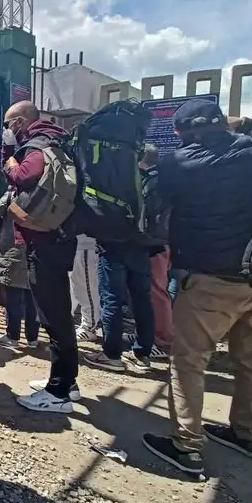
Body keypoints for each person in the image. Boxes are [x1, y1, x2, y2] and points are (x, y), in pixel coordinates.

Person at [143, 101, 252, 475]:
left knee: (189, 360)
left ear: (180, 133)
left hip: (212, 281)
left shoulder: (178, 165)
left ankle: (187, 446)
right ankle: (251, 434)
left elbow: (152, 208)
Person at [2, 101, 80, 413]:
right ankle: (68, 383)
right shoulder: (57, 140)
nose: (7, 129)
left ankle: (58, 392)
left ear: (21, 121)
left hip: (45, 242)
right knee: (59, 313)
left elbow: (25, 175)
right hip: (60, 236)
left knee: (54, 316)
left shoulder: (37, 145)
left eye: (8, 124)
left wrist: (9, 159)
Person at [83, 235, 157, 374]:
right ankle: (142, 354)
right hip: (141, 244)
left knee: (111, 299)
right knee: (142, 300)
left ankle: (111, 355)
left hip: (113, 244)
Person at [139, 144, 173, 359]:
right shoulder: (162, 177)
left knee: (157, 292)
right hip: (162, 241)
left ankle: (163, 340)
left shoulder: (152, 181)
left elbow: (148, 213)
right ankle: (154, 335)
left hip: (156, 243)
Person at [72, 233, 102, 341]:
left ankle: (89, 327)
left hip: (88, 246)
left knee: (87, 290)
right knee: (77, 288)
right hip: (77, 245)